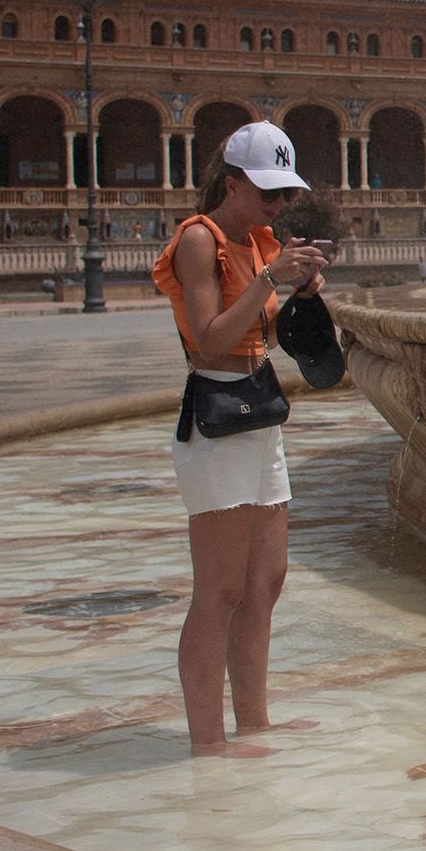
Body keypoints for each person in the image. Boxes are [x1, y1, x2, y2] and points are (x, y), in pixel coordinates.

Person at [149, 121, 330, 757]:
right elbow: (208, 339)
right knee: (219, 589)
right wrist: (268, 280)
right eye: (268, 193)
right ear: (231, 183)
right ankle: (208, 741)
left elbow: (263, 336)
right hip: (216, 423)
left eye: (284, 195)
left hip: (258, 416)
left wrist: (299, 295)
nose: (278, 206)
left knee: (266, 579)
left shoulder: (258, 241)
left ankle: (254, 721)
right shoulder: (199, 240)